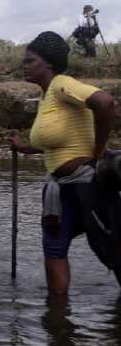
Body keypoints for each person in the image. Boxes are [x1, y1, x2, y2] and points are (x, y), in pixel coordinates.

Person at [9, 31, 121, 299]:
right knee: (54, 249)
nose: (24, 66)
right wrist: (25, 147)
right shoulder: (47, 96)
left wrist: (99, 149)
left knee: (113, 249)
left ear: (47, 63)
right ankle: (58, 319)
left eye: (29, 60)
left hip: (88, 186)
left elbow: (105, 103)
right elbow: (56, 140)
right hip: (58, 191)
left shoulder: (61, 84)